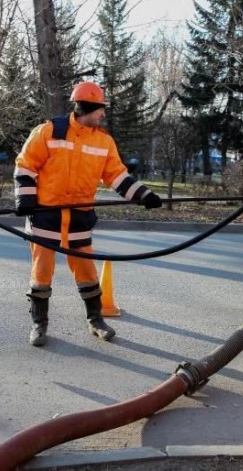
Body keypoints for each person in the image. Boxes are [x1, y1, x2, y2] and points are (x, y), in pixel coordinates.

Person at [14, 81, 162, 346]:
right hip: (46, 215)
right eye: (100, 110)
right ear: (87, 107)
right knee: (41, 271)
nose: (102, 114)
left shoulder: (103, 141)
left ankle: (96, 320)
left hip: (79, 216)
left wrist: (143, 195)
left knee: (86, 270)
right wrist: (25, 199)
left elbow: (116, 176)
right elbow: (26, 165)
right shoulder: (49, 131)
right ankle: (39, 325)